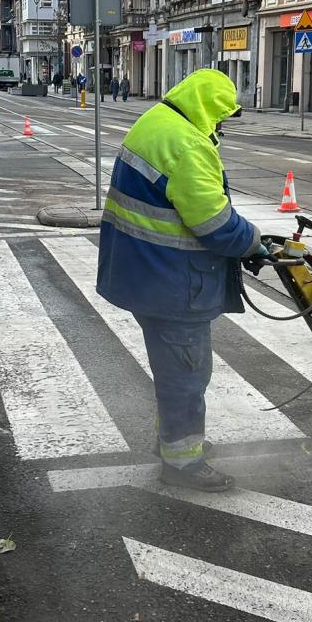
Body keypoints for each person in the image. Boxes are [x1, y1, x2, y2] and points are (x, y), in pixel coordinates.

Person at [95, 69, 266, 492]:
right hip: (172, 281)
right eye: (222, 116)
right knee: (187, 373)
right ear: (207, 107)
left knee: (175, 368)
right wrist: (254, 243)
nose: (223, 125)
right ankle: (183, 463)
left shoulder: (156, 122)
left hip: (141, 272)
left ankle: (172, 442)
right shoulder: (188, 144)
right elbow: (215, 224)